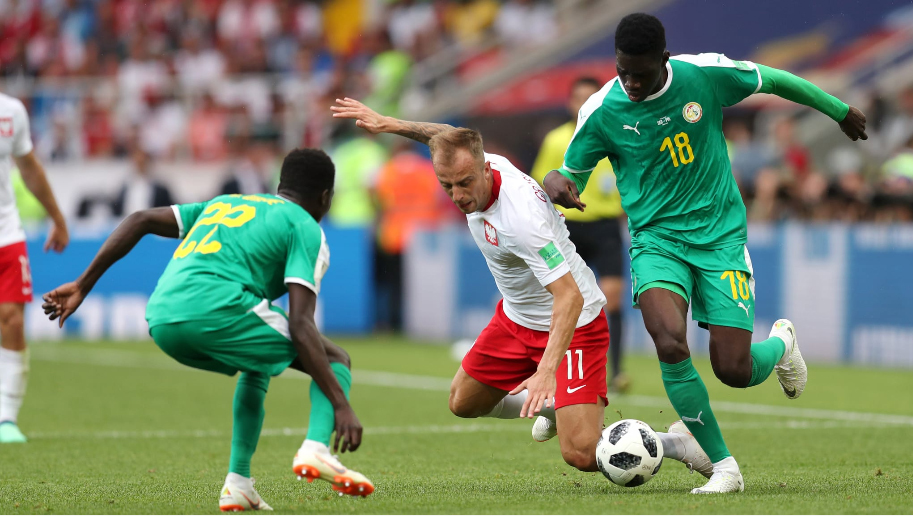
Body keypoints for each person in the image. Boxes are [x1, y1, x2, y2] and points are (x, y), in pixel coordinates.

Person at [541, 13, 868, 494]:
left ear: (664, 60)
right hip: (656, 242)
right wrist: (558, 185)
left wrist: (838, 110)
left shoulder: (704, 75)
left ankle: (780, 345)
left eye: (640, 72)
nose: (630, 82)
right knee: (669, 341)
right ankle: (724, 467)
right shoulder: (602, 109)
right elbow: (566, 172)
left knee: (733, 369)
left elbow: (773, 79)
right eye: (622, 70)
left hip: (720, 240)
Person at [332, 97, 715, 481]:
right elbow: (441, 135)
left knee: (581, 454)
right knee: (462, 402)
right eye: (447, 185)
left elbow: (570, 296)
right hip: (516, 320)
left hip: (575, 324)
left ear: (485, 169)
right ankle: (553, 407)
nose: (459, 195)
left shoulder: (521, 219)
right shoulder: (470, 157)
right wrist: (387, 124)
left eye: (465, 183)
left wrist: (547, 371)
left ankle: (677, 443)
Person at [41, 149, 374, 511]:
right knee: (336, 357)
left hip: (162, 318)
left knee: (256, 360)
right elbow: (301, 323)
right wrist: (341, 405)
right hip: (216, 308)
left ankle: (239, 483)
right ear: (326, 197)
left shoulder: (226, 203)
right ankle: (316, 447)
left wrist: (83, 285)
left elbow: (138, 219)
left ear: (280, 185)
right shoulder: (306, 227)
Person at [531, 76, 628, 392]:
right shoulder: (556, 141)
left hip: (605, 226)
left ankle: (616, 371)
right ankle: (551, 367)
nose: (584, 104)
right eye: (579, 98)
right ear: (570, 103)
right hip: (567, 228)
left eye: (591, 97)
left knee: (611, 297)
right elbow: (539, 183)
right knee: (562, 298)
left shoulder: (617, 133)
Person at [0, 92, 69, 444]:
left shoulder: (11, 112)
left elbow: (28, 168)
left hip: (6, 234)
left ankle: (6, 419)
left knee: (12, 319)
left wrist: (57, 218)